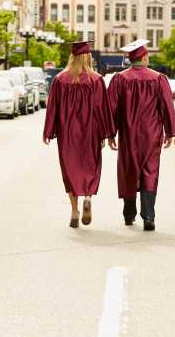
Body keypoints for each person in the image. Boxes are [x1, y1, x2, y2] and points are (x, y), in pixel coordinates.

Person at [43, 41, 115, 228]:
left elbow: (53, 108)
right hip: (91, 132)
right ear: (88, 57)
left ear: (72, 57)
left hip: (67, 133)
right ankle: (88, 197)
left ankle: (74, 211)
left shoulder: (60, 79)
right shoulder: (97, 80)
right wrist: (108, 133)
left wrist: (48, 131)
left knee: (70, 170)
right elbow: (102, 108)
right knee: (90, 166)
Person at [107, 39, 175, 231]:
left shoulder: (119, 79)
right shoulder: (159, 78)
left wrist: (110, 133)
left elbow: (111, 108)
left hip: (128, 134)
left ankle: (129, 215)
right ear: (145, 57)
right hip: (152, 134)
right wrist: (170, 131)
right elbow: (167, 106)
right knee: (149, 172)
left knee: (129, 171)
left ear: (131, 59)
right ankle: (149, 217)